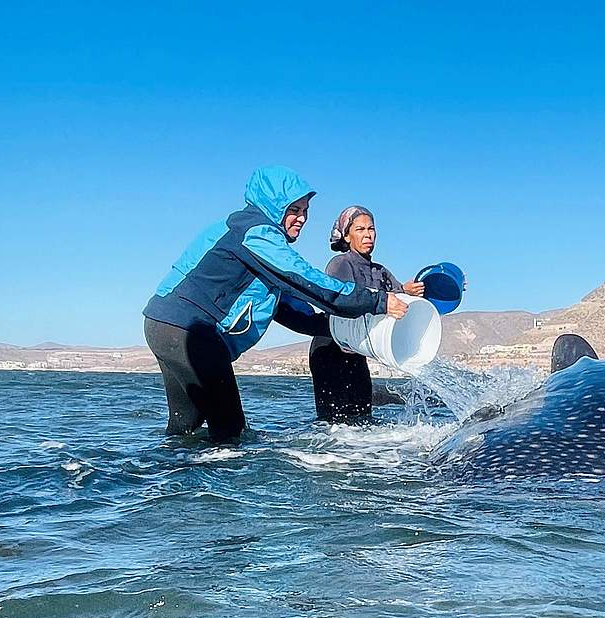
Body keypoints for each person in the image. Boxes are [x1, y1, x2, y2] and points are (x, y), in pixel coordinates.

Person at [142, 166, 409, 442]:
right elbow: (306, 279)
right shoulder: (255, 232)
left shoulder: (251, 240)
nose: (302, 218)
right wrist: (377, 301)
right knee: (230, 431)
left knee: (187, 425)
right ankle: (217, 483)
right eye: (294, 209)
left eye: (305, 210)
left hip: (163, 326)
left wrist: (341, 331)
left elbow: (292, 311)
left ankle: (162, 479)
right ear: (273, 204)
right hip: (188, 330)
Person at [308, 206, 424, 422]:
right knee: (332, 424)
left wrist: (420, 290)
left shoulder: (381, 271)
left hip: (357, 350)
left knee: (362, 419)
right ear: (346, 235)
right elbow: (347, 299)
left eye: (371, 229)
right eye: (360, 229)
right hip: (330, 348)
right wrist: (394, 293)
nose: (368, 235)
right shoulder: (340, 264)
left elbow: (399, 305)